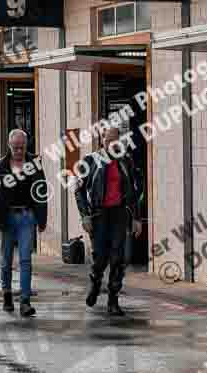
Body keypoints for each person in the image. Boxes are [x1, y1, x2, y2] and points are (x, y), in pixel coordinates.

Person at [74, 125, 143, 316]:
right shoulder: (90, 161)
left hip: (119, 213)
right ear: (102, 140)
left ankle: (113, 300)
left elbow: (133, 193)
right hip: (99, 214)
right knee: (100, 258)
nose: (111, 143)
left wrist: (136, 218)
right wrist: (85, 216)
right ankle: (95, 284)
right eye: (108, 139)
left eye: (115, 140)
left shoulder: (125, 161)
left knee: (118, 258)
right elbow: (78, 190)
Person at [0, 129, 47, 317]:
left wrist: (41, 219)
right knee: (6, 260)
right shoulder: (0, 166)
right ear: (9, 146)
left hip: (27, 216)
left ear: (26, 145)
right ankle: (7, 295)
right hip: (6, 217)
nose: (19, 150)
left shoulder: (34, 164)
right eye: (15, 147)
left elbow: (41, 191)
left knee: (25, 259)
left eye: (22, 146)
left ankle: (25, 301)